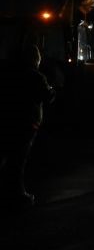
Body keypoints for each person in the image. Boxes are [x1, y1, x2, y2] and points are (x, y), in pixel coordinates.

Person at [0, 44, 55, 208]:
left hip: (8, 120)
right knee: (18, 161)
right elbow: (47, 96)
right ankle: (17, 195)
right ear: (35, 59)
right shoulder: (36, 77)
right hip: (26, 124)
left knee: (6, 156)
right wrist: (52, 90)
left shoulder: (8, 74)